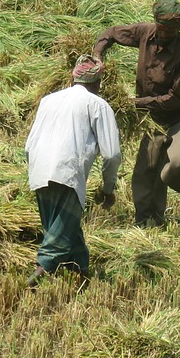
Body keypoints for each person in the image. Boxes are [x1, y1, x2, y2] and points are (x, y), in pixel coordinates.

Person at [93, 0, 180, 227]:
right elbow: (110, 33)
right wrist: (97, 55)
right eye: (164, 28)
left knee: (176, 163)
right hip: (154, 113)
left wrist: (135, 102)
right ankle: (148, 220)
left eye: (174, 29)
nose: (168, 33)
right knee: (147, 169)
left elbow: (174, 100)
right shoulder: (144, 33)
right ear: (156, 22)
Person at [24, 54, 121, 288]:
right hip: (67, 174)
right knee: (57, 240)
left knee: (65, 227)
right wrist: (108, 189)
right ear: (98, 83)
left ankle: (81, 277)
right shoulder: (98, 105)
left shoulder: (48, 100)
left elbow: (28, 145)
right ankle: (34, 280)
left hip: (39, 171)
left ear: (73, 79)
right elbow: (112, 155)